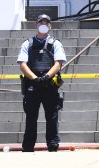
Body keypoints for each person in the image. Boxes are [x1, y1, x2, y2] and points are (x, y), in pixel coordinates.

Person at [17, 14, 66, 152]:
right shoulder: (28, 43)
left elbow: (58, 63)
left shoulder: (55, 43)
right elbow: (22, 64)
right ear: (36, 25)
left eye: (46, 22)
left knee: (52, 116)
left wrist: (46, 77)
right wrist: (34, 78)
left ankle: (52, 143)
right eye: (41, 22)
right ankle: (28, 146)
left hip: (49, 84)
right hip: (33, 84)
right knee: (31, 117)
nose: (43, 24)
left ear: (50, 26)